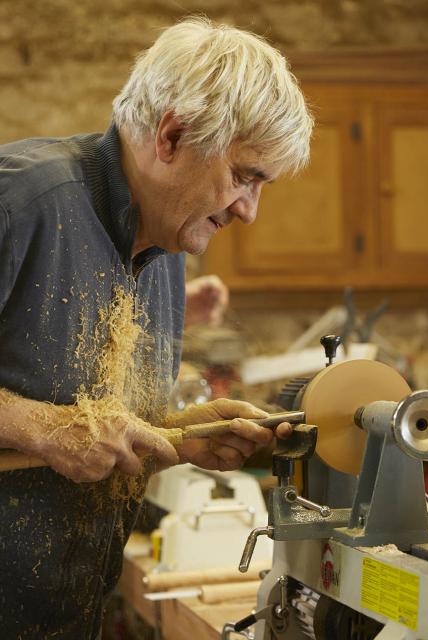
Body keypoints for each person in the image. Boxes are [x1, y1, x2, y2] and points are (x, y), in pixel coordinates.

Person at [0, 17, 313, 639]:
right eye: (245, 176)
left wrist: (173, 440)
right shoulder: (21, 202)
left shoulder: (166, 253)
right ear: (172, 135)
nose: (249, 211)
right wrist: (36, 424)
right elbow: (55, 428)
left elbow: (93, 441)